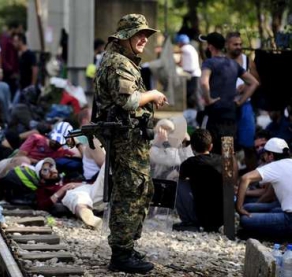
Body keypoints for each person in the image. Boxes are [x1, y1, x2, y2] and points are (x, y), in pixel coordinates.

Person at [94, 14, 167, 274]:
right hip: (125, 140)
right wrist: (154, 95)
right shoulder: (118, 63)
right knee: (130, 192)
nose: (144, 39)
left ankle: (127, 246)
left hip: (132, 138)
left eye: (146, 34)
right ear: (124, 37)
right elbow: (129, 101)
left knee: (138, 190)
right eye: (139, 34)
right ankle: (121, 253)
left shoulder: (123, 61)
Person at [199, 32, 259, 155]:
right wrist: (240, 101)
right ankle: (232, 175)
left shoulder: (209, 63)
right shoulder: (234, 64)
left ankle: (216, 175)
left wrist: (209, 99)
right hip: (231, 115)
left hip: (214, 115)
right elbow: (254, 83)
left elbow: (204, 83)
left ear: (210, 47)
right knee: (229, 153)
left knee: (211, 151)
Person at [236, 138, 292, 238]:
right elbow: (269, 194)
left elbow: (245, 178)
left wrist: (239, 207)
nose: (263, 156)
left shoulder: (275, 166)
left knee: (245, 219)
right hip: (285, 211)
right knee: (252, 209)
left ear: (271, 156)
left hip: (289, 218)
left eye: (265, 154)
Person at [176, 129, 223, 232]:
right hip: (221, 216)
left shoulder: (190, 163)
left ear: (192, 147)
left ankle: (189, 222)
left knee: (178, 183)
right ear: (211, 146)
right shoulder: (222, 160)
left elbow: (176, 177)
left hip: (201, 216)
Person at [226, 31, 261, 171]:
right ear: (227, 45)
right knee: (228, 145)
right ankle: (230, 183)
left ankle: (252, 178)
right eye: (235, 44)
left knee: (249, 145)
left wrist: (246, 86)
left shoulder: (247, 61)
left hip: (245, 106)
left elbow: (257, 80)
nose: (238, 47)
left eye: (240, 44)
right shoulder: (222, 61)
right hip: (228, 106)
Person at [175, 34, 201, 110]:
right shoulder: (189, 49)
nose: (178, 44)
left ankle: (198, 111)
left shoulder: (186, 48)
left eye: (178, 43)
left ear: (181, 42)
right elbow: (181, 63)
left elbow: (175, 52)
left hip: (194, 75)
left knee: (193, 95)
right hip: (191, 75)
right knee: (190, 94)